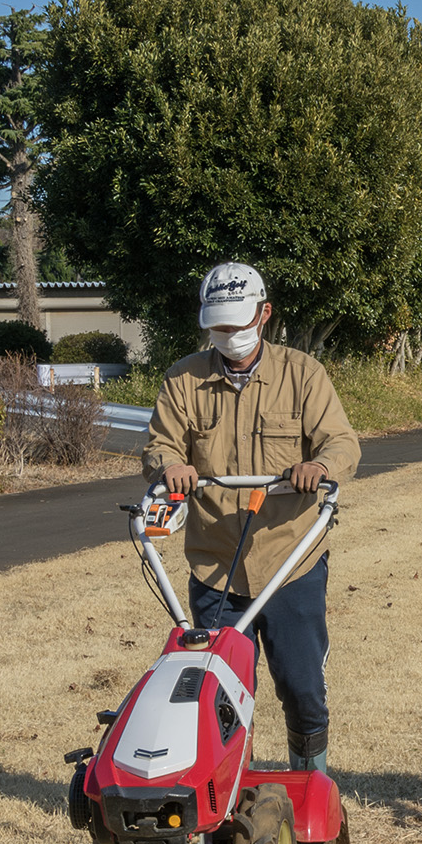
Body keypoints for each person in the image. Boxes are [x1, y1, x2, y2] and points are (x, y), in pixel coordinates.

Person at [143, 262, 361, 775]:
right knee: (217, 698)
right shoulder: (183, 379)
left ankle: (310, 785)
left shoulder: (302, 374)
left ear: (264, 315)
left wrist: (320, 465)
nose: (230, 338)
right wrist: (170, 465)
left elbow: (341, 441)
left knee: (302, 689)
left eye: (238, 327)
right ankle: (228, 798)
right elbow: (161, 444)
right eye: (219, 329)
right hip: (215, 566)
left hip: (290, 563)